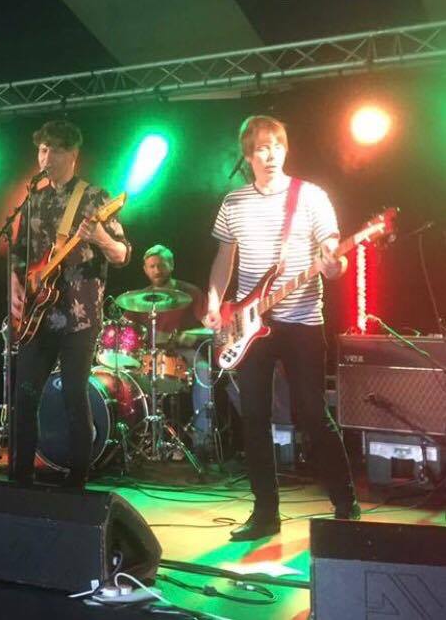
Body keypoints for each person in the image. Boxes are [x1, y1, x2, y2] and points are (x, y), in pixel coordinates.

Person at [203, 116, 358, 541]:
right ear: (247, 155)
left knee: (312, 412)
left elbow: (332, 252)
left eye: (277, 146)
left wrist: (335, 265)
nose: (270, 155)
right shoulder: (233, 202)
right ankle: (265, 513)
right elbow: (224, 257)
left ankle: (345, 502)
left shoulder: (310, 196)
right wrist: (215, 302)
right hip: (250, 324)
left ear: (286, 149)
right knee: (253, 416)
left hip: (302, 322)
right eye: (261, 148)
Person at [10, 120, 131, 488]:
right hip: (38, 315)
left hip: (80, 315)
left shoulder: (95, 197)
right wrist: (16, 290)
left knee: (74, 394)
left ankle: (78, 479)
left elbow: (122, 254)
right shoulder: (34, 199)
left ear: (72, 154)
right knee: (24, 394)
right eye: (42, 149)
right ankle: (20, 477)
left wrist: (100, 238)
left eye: (54, 150)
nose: (45, 157)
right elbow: (18, 256)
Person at [139, 244, 211, 452]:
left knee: (203, 370)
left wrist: (192, 334)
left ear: (171, 265)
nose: (157, 270)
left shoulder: (191, 292)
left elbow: (211, 328)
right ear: (145, 269)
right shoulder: (138, 299)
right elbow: (129, 333)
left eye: (161, 265)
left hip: (183, 352)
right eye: (152, 266)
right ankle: (143, 437)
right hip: (149, 356)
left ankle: (203, 438)